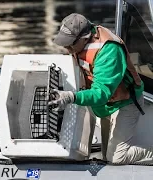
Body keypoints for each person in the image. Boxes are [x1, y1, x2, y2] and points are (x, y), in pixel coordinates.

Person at [49, 13, 153, 164]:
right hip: (103, 107)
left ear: (84, 38)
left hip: (125, 104)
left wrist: (71, 97)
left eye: (70, 44)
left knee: (116, 158)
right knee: (105, 158)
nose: (67, 49)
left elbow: (101, 93)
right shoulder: (79, 44)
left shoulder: (109, 50)